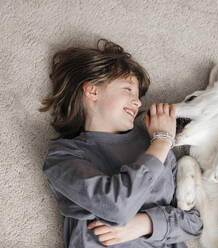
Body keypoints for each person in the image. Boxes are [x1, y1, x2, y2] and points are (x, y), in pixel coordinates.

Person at [39, 39, 203, 247]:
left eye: (138, 95)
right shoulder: (63, 156)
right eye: (128, 90)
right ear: (92, 91)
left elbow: (194, 223)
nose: (138, 102)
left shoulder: (154, 147)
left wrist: (146, 224)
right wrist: (162, 141)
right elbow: (116, 208)